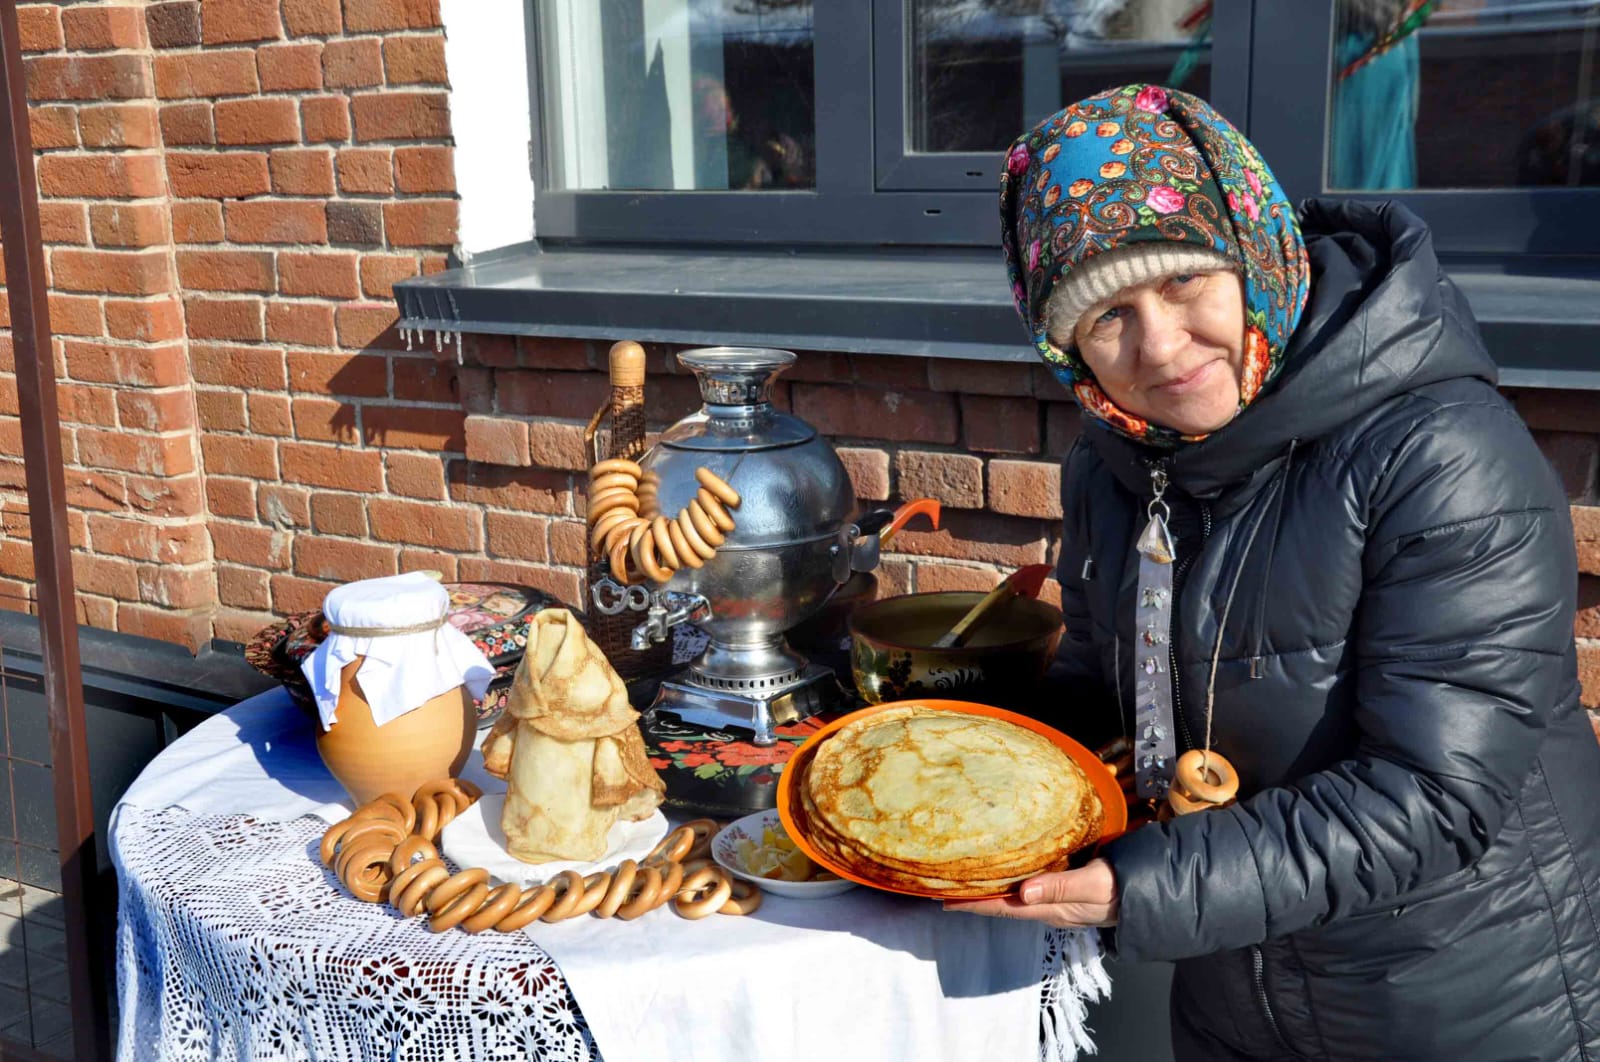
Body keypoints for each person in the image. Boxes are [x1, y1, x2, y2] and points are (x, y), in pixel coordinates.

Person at [951, 83, 1600, 1060]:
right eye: (1106, 317)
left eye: (1182, 282)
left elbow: (1435, 793)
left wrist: (1142, 890)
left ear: (1254, 252)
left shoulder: (1439, 452)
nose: (1159, 349)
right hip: (1232, 998)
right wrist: (956, 767)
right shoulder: (1114, 462)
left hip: (1457, 1005)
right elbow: (1103, 685)